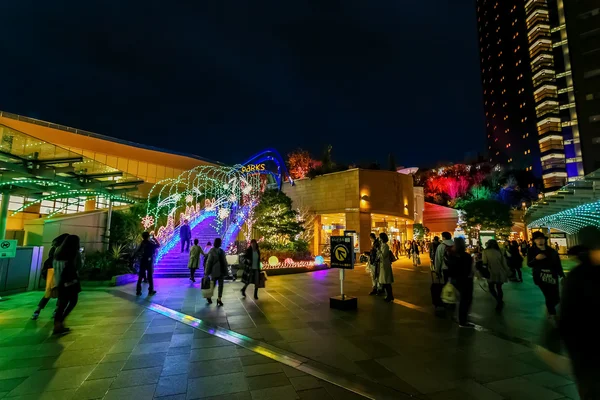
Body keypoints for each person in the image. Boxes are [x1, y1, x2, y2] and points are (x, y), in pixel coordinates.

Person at [559, 227, 600, 399]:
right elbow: (569, 318)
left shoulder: (577, 276)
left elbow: (566, 317)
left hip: (585, 353)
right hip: (589, 351)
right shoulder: (579, 277)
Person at [528, 231, 564, 321]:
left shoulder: (551, 251)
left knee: (556, 298)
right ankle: (552, 314)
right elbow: (529, 264)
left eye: (541, 239)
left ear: (544, 240)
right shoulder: (532, 251)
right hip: (540, 277)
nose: (540, 241)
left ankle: (551, 309)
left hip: (553, 276)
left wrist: (562, 275)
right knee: (548, 295)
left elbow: (557, 264)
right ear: (534, 241)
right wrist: (536, 259)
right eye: (537, 239)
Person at [32, 233, 69, 320]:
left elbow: (50, 258)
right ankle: (56, 311)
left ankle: (37, 311)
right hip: (60, 272)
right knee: (61, 293)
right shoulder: (64, 249)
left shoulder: (54, 248)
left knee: (48, 292)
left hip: (50, 273)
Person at [52, 235, 82, 335]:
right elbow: (79, 266)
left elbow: (54, 267)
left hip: (59, 282)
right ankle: (61, 321)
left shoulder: (57, 253)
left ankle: (57, 325)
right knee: (73, 301)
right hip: (71, 283)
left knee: (61, 305)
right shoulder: (74, 253)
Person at [446, 237, 474, 328]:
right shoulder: (466, 256)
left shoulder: (451, 255)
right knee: (465, 300)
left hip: (455, 279)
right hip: (465, 280)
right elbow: (469, 269)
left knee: (461, 299)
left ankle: (460, 318)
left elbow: (449, 268)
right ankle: (463, 321)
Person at [483, 240, 510, 312]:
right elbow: (504, 263)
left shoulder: (485, 252)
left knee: (491, 287)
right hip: (500, 272)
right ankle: (500, 301)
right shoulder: (501, 251)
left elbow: (484, 262)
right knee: (499, 288)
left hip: (491, 272)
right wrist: (507, 271)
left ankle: (498, 300)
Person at [205, 237, 228, 306]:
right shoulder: (212, 251)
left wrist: (225, 270)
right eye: (220, 242)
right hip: (214, 271)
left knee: (221, 286)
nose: (221, 243)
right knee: (213, 285)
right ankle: (209, 296)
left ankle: (219, 299)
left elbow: (224, 261)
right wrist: (207, 272)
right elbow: (209, 262)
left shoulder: (221, 251)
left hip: (221, 271)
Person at [135, 232, 160, 296]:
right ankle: (150, 290)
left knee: (140, 276)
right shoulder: (150, 244)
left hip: (143, 261)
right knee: (150, 276)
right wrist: (155, 239)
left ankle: (138, 291)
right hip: (149, 261)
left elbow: (137, 251)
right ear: (148, 236)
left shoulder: (142, 243)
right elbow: (158, 245)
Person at [378, 233, 394, 302]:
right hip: (383, 265)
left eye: (379, 237)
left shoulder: (385, 246)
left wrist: (379, 252)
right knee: (385, 281)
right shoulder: (382, 245)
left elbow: (383, 255)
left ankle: (389, 296)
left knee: (386, 281)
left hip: (385, 265)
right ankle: (389, 295)